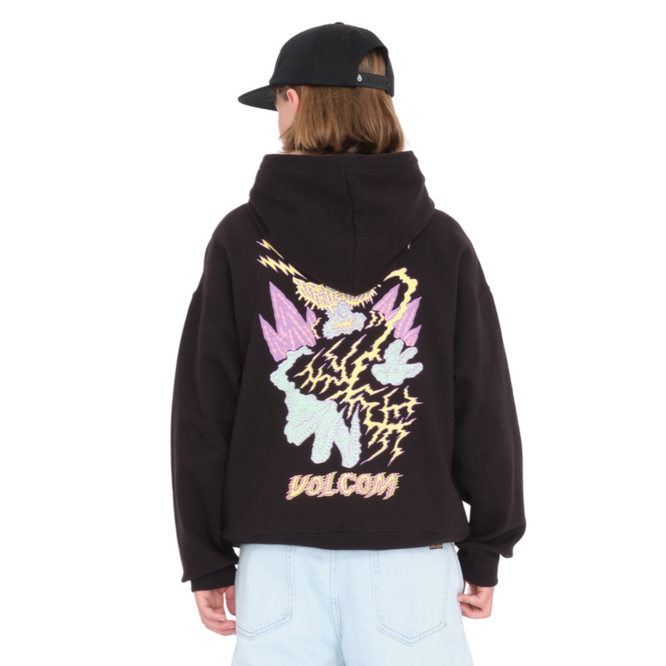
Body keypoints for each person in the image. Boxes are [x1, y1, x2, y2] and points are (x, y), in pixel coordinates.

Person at [170, 22, 526, 665]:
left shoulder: (240, 240)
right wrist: (488, 545)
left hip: (277, 561)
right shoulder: (442, 242)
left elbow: (203, 409)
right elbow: (483, 401)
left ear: (294, 99)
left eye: (277, 102)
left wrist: (205, 556)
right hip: (412, 560)